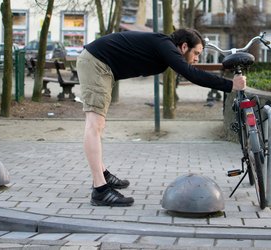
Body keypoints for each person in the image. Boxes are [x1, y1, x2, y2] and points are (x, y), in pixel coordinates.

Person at [76, 28, 246, 207]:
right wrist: (230, 85)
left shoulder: (164, 46)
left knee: (98, 125)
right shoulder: (166, 46)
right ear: (184, 46)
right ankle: (100, 190)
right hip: (96, 64)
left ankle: (102, 175)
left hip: (101, 65)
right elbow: (190, 73)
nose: (196, 58)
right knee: (94, 124)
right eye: (196, 53)